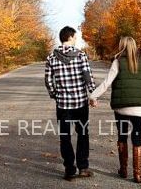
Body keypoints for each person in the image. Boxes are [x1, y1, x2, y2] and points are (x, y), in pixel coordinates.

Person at [89, 36, 141, 183]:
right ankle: (138, 174)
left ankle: (123, 170)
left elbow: (106, 83)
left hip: (122, 108)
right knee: (137, 138)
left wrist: (93, 96)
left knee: (122, 136)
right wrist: (140, 98)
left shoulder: (117, 62)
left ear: (121, 46)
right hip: (140, 109)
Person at [44, 26, 95, 181]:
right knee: (83, 134)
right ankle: (83, 167)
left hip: (62, 105)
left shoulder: (51, 57)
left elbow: (48, 80)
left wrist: (55, 94)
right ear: (71, 37)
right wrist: (92, 93)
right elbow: (87, 76)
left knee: (65, 137)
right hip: (80, 103)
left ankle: (69, 169)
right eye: (75, 37)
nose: (76, 39)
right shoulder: (80, 55)